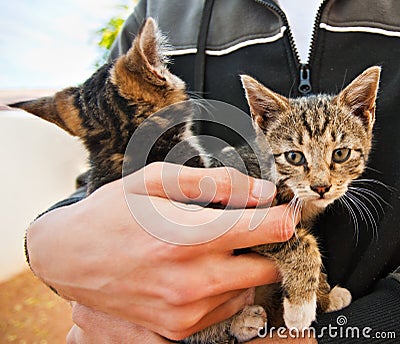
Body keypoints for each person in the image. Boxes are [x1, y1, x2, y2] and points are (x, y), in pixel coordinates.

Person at [26, 0, 400, 343]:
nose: (321, 182)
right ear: (261, 119)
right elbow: (100, 172)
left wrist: (366, 328)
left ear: (366, 115)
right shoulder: (161, 8)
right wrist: (48, 241)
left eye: (338, 155)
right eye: (298, 159)